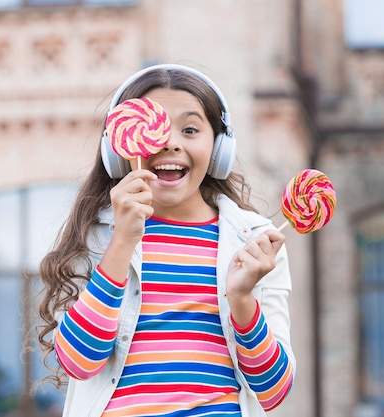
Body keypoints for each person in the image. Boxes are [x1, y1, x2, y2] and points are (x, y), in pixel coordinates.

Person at [37, 64, 296, 417]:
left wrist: (241, 298)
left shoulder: (255, 242)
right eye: (154, 129)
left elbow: (274, 391)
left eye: (190, 129)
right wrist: (123, 240)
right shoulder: (98, 234)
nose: (171, 142)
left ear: (220, 147)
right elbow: (79, 363)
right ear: (119, 148)